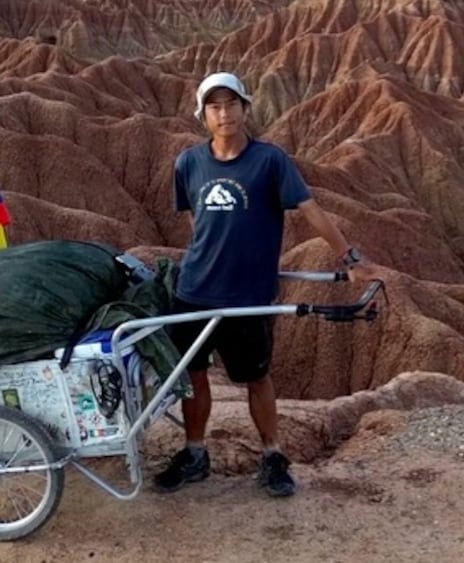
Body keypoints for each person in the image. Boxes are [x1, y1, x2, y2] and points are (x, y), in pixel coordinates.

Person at [155, 71, 371, 497]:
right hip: (194, 290)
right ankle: (195, 453)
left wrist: (349, 257)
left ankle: (272, 455)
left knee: (257, 378)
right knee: (194, 375)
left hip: (249, 296)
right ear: (203, 116)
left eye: (231, 104)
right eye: (214, 106)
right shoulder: (188, 164)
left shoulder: (270, 161)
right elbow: (196, 221)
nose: (224, 113)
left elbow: (310, 210)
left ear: (245, 108)